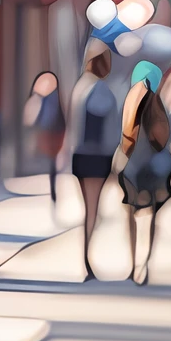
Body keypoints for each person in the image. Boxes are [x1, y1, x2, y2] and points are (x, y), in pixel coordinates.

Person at [119, 61, 171, 285]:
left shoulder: (131, 101)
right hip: (153, 168)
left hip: (133, 166)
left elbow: (125, 137)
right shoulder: (159, 105)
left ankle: (134, 262)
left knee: (130, 215)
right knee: (151, 214)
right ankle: (146, 262)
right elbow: (164, 138)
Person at [65, 48, 119, 279]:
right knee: (92, 210)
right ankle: (86, 257)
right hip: (96, 156)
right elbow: (106, 128)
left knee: (88, 208)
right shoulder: (101, 91)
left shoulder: (80, 88)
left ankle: (85, 255)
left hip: (80, 155)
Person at [25, 69, 65, 203]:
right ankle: (49, 190)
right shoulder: (42, 99)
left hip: (54, 132)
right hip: (48, 132)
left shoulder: (50, 98)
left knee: (51, 163)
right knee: (49, 163)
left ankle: (51, 190)